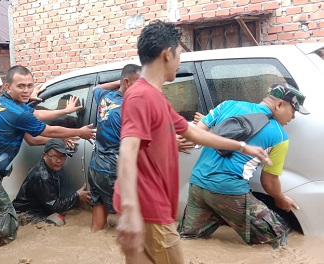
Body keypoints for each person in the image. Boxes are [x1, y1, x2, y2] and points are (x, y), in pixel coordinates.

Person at [113, 21, 271, 264]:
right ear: (168, 53)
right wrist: (131, 212)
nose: (180, 61)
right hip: (147, 207)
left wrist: (242, 146)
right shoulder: (141, 96)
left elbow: (192, 131)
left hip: (148, 208)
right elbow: (127, 151)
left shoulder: (156, 97)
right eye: (179, 54)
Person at [0, 65, 96, 246]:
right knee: (8, 229)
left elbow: (36, 120)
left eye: (29, 86)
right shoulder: (17, 113)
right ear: (8, 87)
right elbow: (48, 130)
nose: (26, 90)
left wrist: (64, 111)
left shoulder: (2, 101)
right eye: (21, 86)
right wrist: (78, 132)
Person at [178, 82, 308, 248]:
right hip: (229, 191)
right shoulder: (279, 135)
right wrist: (280, 198)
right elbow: (268, 182)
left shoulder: (228, 105)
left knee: (188, 239)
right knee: (277, 237)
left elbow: (197, 132)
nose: (294, 117)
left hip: (197, 184)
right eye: (294, 110)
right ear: (279, 104)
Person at [88, 64, 141, 232]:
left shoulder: (105, 96)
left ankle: (95, 236)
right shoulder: (130, 108)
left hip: (95, 166)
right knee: (132, 213)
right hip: (113, 169)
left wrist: (119, 84)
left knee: (99, 206)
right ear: (127, 82)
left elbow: (95, 88)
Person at [12, 138, 90, 226]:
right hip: (25, 213)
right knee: (57, 221)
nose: (59, 161)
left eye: (62, 157)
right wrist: (77, 197)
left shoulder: (48, 168)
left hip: (36, 208)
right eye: (55, 156)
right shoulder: (42, 176)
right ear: (44, 155)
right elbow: (54, 206)